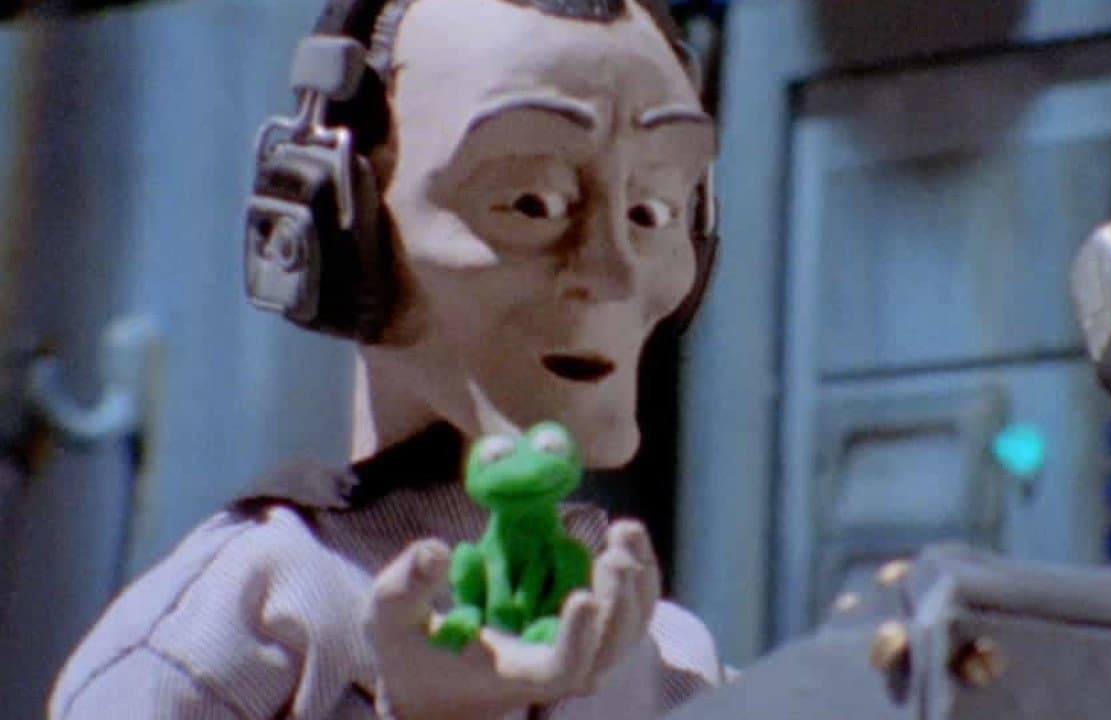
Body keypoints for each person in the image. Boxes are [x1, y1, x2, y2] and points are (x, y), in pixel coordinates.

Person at [48, 0, 723, 717]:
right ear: (343, 232)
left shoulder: (670, 659)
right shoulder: (243, 626)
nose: (614, 273)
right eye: (532, 203)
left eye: (652, 211)